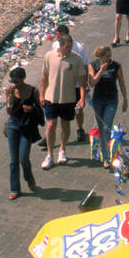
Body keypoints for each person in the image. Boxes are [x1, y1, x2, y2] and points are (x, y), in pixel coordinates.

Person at [40, 32, 86, 170]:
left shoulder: (76, 59)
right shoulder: (49, 56)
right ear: (60, 46)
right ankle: (49, 154)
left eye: (71, 47)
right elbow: (44, 77)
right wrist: (41, 94)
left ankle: (62, 150)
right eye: (67, 47)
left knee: (65, 124)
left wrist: (82, 98)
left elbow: (82, 82)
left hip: (68, 98)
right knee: (50, 125)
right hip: (51, 97)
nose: (69, 49)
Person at [86, 46, 129, 168]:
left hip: (111, 100)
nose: (109, 59)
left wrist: (125, 99)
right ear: (100, 56)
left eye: (110, 57)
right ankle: (104, 154)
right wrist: (101, 70)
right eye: (106, 57)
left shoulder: (116, 66)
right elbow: (92, 83)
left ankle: (107, 156)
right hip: (98, 100)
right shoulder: (93, 65)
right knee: (100, 128)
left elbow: (121, 82)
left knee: (106, 127)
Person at [4, 65, 41, 200]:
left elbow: (40, 110)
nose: (14, 85)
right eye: (12, 82)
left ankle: (29, 177)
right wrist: (9, 101)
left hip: (27, 126)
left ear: (23, 79)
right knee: (13, 160)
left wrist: (31, 109)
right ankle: (15, 189)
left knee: (23, 157)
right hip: (13, 125)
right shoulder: (10, 91)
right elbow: (9, 112)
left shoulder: (33, 91)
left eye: (17, 81)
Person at [54, 24, 90, 143]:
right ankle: (53, 131)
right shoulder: (55, 45)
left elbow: (84, 65)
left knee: (78, 108)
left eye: (58, 36)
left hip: (75, 85)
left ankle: (80, 129)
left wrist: (85, 84)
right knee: (59, 108)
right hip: (61, 85)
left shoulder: (78, 47)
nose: (57, 38)